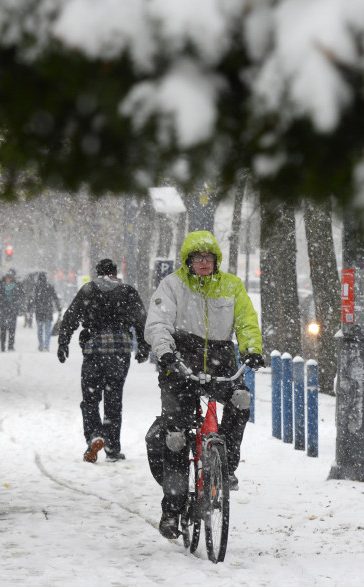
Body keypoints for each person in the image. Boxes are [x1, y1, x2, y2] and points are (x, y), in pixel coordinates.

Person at [144, 230, 265, 540]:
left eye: (208, 257)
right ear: (188, 261)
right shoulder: (172, 286)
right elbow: (157, 322)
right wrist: (167, 353)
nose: (203, 263)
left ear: (216, 260)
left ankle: (227, 464)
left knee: (240, 399)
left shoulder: (232, 286)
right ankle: (172, 509)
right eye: (197, 258)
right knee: (175, 438)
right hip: (181, 362)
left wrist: (251, 350)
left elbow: (246, 320)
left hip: (221, 359)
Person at [57, 259, 151, 463]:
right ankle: (112, 447)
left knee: (90, 398)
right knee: (114, 399)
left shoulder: (88, 290)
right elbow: (142, 320)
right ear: (115, 273)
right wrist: (144, 347)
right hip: (119, 351)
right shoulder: (127, 291)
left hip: (94, 350)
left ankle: (94, 435)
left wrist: (63, 343)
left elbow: (70, 317)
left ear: (98, 273)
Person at [30, 272, 61, 352]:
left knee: (40, 330)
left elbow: (33, 299)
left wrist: (30, 308)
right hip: (48, 310)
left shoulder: (36, 287)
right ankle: (46, 346)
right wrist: (59, 308)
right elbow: (55, 298)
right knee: (47, 330)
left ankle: (41, 345)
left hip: (39, 311)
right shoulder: (50, 286)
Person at [0, 269, 23, 351]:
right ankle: (2, 345)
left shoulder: (16, 288)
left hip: (12, 311)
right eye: (7, 279)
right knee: (3, 329)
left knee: (12, 329)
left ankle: (11, 345)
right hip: (3, 311)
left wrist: (18, 308)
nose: (8, 281)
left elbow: (19, 299)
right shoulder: (0, 288)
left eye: (10, 279)